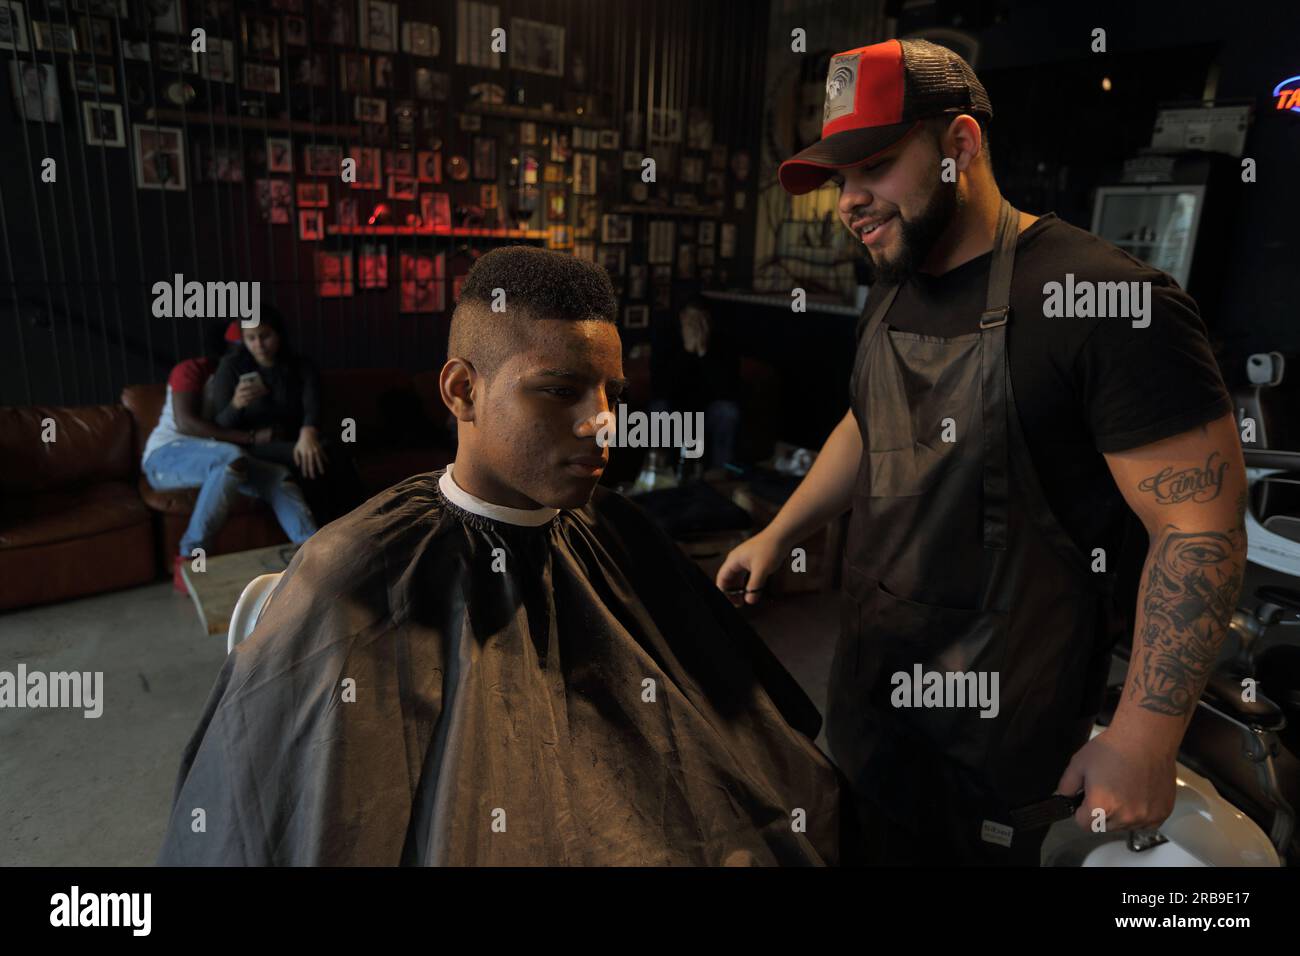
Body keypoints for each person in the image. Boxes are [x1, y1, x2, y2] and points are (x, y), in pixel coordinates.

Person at [717, 39, 1246, 865]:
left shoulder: (1111, 304)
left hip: (1007, 743)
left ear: (960, 145)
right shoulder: (896, 281)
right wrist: (778, 531)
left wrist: (1145, 734)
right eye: (840, 180)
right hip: (870, 704)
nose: (851, 201)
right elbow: (869, 423)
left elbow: (1200, 530)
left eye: (877, 166)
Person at [158, 247, 846, 866]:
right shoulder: (356, 568)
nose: (602, 420)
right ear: (462, 390)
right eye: (559, 389)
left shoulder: (615, 526)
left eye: (612, 394)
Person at [142, 320, 319, 593]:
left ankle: (315, 555)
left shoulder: (247, 372)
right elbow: (186, 423)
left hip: (219, 456)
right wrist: (249, 438)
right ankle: (190, 558)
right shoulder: (191, 369)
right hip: (167, 456)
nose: (254, 348)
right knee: (231, 456)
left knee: (278, 476)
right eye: (245, 343)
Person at [210, 306, 363, 524]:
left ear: (279, 334)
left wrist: (308, 431)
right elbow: (220, 425)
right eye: (251, 338)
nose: (258, 345)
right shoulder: (231, 367)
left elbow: (313, 405)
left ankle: (356, 523)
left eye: (265, 336)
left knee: (330, 450)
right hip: (255, 443)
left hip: (295, 437)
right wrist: (237, 404)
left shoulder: (300, 365)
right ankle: (327, 529)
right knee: (307, 457)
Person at [649, 294, 743, 474]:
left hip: (707, 409)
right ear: (682, 318)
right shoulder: (665, 338)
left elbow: (726, 391)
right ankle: (661, 472)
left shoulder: (724, 343)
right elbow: (662, 389)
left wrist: (702, 353)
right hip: (675, 407)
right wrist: (687, 351)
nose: (696, 326)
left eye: (701, 320)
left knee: (728, 412)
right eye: (692, 320)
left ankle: (718, 474)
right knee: (659, 410)